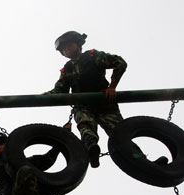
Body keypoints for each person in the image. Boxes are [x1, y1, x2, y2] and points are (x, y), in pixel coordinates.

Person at [46, 31, 129, 169]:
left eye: (69, 45)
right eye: (63, 49)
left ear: (78, 44)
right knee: (86, 126)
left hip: (104, 102)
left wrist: (112, 87)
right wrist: (49, 94)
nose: (66, 50)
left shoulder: (93, 56)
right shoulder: (67, 69)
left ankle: (143, 161)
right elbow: (60, 90)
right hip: (83, 105)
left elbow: (120, 63)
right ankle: (91, 149)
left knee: (120, 134)